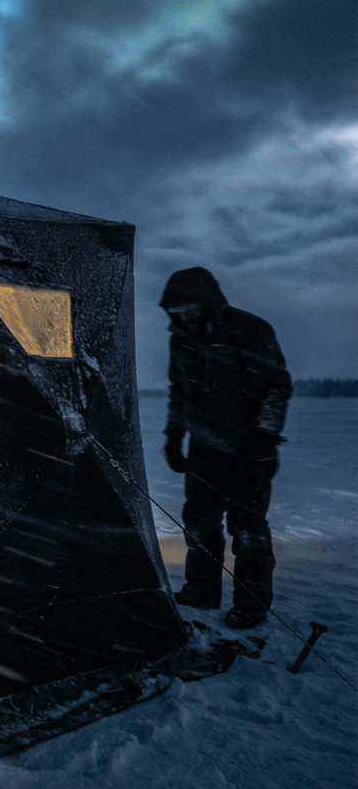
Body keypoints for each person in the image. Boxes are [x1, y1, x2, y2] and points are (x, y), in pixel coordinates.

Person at [160, 267, 292, 630]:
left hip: (249, 450)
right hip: (204, 449)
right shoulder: (180, 340)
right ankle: (202, 590)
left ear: (208, 303)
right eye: (176, 310)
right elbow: (179, 391)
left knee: (247, 530)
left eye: (189, 308)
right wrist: (173, 436)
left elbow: (276, 388)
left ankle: (251, 607)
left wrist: (262, 439)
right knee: (200, 524)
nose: (183, 316)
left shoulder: (249, 330)